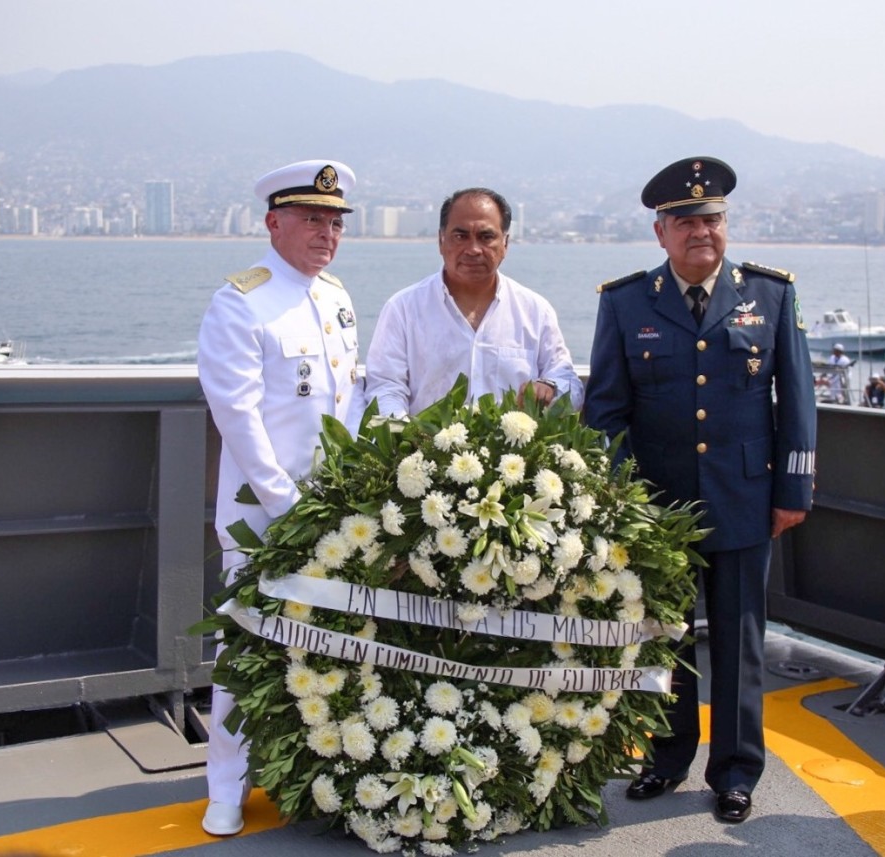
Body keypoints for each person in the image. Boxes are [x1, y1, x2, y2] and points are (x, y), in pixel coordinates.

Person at [584, 156, 816, 824]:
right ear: (660, 233)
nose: (700, 233)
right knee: (665, 636)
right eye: (684, 222)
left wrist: (793, 485)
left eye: (711, 219)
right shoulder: (625, 302)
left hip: (745, 496)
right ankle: (665, 756)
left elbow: (797, 399)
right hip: (658, 505)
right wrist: (621, 501)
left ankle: (737, 769)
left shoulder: (770, 295)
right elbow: (606, 410)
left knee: (742, 639)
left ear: (726, 225)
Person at [196, 159, 365, 836]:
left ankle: (310, 774)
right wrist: (287, 502)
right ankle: (225, 786)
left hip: (334, 512)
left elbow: (350, 405)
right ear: (274, 223)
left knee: (328, 646)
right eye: (311, 218)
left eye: (334, 221)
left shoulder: (339, 299)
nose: (326, 232)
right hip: (262, 513)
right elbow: (236, 413)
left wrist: (350, 490)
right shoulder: (241, 301)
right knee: (245, 647)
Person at [365, 187, 583, 417]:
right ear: (441, 241)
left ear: (505, 244)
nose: (473, 249)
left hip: (517, 452)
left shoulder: (535, 311)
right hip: (424, 449)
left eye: (486, 237)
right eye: (460, 236)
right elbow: (385, 388)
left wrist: (550, 388)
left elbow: (570, 382)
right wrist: (407, 439)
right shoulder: (403, 309)